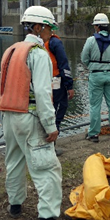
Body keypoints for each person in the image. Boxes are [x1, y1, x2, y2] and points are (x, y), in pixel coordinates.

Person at [0, 5, 74, 220]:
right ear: (39, 27)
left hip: (10, 115)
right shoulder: (38, 54)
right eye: (49, 28)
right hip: (29, 116)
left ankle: (15, 204)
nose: (51, 33)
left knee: (14, 161)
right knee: (47, 167)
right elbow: (42, 93)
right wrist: (51, 126)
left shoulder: (11, 50)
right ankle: (47, 219)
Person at [81, 13, 110, 142]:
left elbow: (84, 58)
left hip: (96, 75)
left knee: (95, 106)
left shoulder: (90, 40)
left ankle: (93, 134)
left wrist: (92, 67)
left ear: (97, 26)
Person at [39, 20, 74, 156]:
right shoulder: (55, 42)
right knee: (58, 112)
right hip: (56, 83)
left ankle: (44, 145)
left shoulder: (37, 43)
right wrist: (69, 85)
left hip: (43, 83)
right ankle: (51, 146)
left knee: (46, 112)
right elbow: (63, 64)